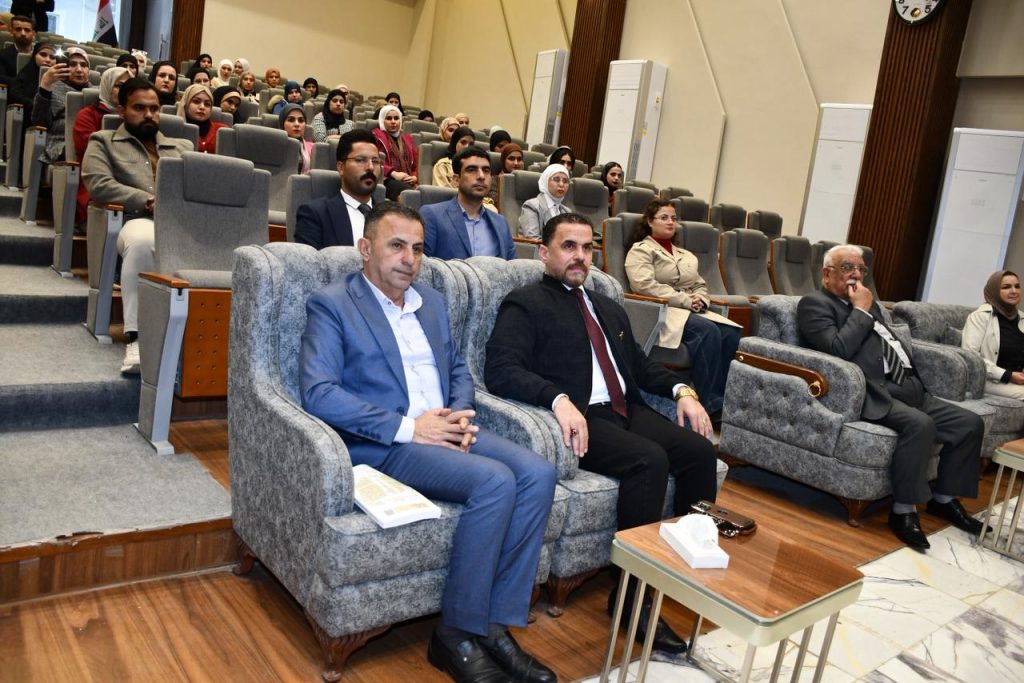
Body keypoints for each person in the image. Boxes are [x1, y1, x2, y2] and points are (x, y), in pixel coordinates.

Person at [300, 202, 558, 683]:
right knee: (495, 482)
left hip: (445, 429)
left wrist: (457, 414)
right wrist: (411, 427)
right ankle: (455, 635)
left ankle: (493, 625)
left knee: (539, 473)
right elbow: (319, 393)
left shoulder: (432, 304)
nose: (409, 259)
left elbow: (457, 368)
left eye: (418, 249)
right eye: (396, 246)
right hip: (387, 444)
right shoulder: (333, 304)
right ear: (365, 248)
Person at [485, 212, 718, 654]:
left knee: (700, 452)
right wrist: (556, 399)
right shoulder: (526, 303)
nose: (580, 256)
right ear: (544, 253)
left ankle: (682, 571)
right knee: (649, 460)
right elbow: (501, 369)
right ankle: (631, 598)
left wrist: (683, 390)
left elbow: (641, 368)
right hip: (581, 417)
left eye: (587, 248)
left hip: (626, 408)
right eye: (568, 246)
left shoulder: (607, 305)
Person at [797, 244, 985, 551]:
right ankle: (903, 512)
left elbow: (887, 344)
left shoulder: (868, 303)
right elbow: (837, 350)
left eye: (861, 269)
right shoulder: (815, 304)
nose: (856, 275)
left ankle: (943, 499)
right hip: (873, 392)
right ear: (827, 274)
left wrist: (866, 308)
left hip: (908, 387)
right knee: (920, 425)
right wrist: (860, 310)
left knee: (969, 424)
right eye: (847, 268)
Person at [81, 78, 194, 375]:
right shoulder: (103, 141)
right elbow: (99, 184)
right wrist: (146, 200)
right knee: (144, 241)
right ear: (121, 110)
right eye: (139, 108)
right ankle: (138, 338)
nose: (149, 115)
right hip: (133, 220)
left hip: (180, 224)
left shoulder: (182, 147)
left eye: (154, 109)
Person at [625, 199, 740, 417]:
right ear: (650, 221)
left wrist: (701, 299)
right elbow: (643, 285)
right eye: (664, 217)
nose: (670, 222)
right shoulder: (641, 250)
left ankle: (726, 400)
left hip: (689, 309)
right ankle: (711, 405)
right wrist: (684, 300)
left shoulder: (685, 255)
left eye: (673, 218)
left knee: (730, 332)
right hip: (661, 310)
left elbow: (700, 284)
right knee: (707, 331)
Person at [422, 147, 515, 261]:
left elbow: (512, 266)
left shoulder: (501, 222)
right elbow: (423, 266)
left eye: (486, 170)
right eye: (471, 170)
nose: (481, 176)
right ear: (456, 180)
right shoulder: (432, 216)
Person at [295, 128, 379, 250]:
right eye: (360, 160)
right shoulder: (315, 214)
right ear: (341, 168)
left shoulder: (391, 216)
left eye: (375, 161)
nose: (370, 167)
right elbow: (307, 262)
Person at [73, 66, 130, 224]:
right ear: (107, 86)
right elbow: (92, 152)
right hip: (98, 179)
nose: (125, 91)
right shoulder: (87, 115)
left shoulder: (136, 118)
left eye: (129, 86)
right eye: (119, 86)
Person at [962, 270, 1024, 400]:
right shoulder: (980, 317)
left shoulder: (1022, 318)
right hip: (990, 380)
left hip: (1018, 380)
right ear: (994, 291)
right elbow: (971, 356)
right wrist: (1008, 375)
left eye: (1017, 286)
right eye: (1006, 287)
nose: (1014, 291)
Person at [33, 45, 90, 165]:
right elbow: (40, 122)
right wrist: (45, 86)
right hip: (61, 145)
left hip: (91, 143)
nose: (79, 70)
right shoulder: (52, 87)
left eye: (84, 65)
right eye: (72, 64)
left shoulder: (95, 92)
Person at [373, 104, 418, 201]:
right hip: (386, 178)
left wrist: (414, 176)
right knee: (408, 194)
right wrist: (393, 173)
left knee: (421, 193)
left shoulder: (408, 138)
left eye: (396, 118)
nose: (393, 122)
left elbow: (416, 164)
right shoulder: (376, 136)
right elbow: (374, 160)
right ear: (382, 120)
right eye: (389, 118)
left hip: (408, 180)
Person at [519, 164, 570, 239]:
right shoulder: (532, 206)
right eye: (556, 180)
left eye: (565, 181)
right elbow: (532, 239)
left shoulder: (567, 211)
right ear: (546, 181)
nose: (561, 184)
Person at [8, 41, 54, 123]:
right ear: (34, 56)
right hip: (26, 121)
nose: (48, 60)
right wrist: (37, 105)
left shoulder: (60, 81)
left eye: (52, 57)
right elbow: (16, 97)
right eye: (43, 55)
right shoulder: (23, 76)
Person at [176, 83, 226, 153]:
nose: (202, 107)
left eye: (207, 104)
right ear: (186, 103)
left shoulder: (222, 130)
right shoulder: (176, 129)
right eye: (196, 101)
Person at [0, 14, 35, 86]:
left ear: (33, 34)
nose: (23, 33)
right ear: (11, 31)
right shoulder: (2, 55)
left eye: (27, 30)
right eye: (18, 29)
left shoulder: (42, 55)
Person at [278, 102, 313, 174]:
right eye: (291, 120)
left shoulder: (312, 148)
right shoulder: (273, 145)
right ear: (282, 123)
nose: (297, 124)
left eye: (301, 120)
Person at [489, 142, 524, 208]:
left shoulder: (526, 182)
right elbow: (497, 203)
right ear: (503, 161)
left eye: (519, 159)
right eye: (511, 159)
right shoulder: (494, 180)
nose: (516, 163)